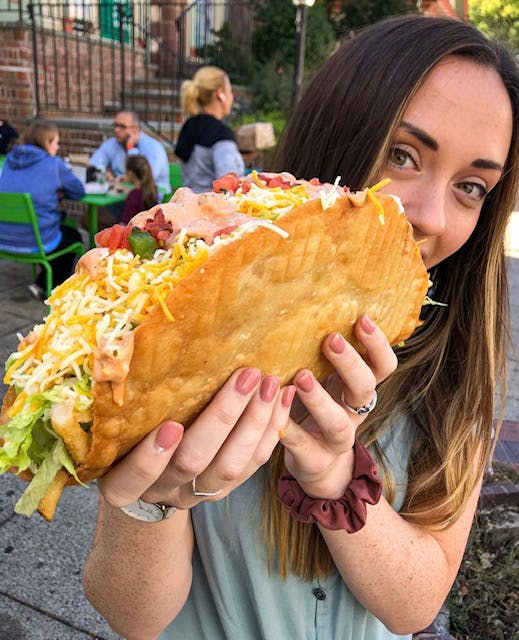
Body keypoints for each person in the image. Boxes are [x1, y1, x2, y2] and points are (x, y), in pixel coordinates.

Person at [82, 16, 519, 640]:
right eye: (402, 155)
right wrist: (154, 497)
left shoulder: (459, 373)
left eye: (471, 187)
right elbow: (132, 616)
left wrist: (335, 475)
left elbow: (415, 608)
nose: (429, 216)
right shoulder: (190, 326)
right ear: (338, 136)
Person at [0, 119, 84, 298]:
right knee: (74, 237)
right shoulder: (53, 165)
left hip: (5, 239)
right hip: (35, 241)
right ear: (46, 142)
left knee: (57, 226)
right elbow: (78, 192)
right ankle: (50, 288)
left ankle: (42, 281)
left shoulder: (8, 161)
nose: (57, 147)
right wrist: (59, 190)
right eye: (56, 142)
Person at [175, 65, 245, 193]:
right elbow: (227, 186)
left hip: (189, 206)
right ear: (220, 94)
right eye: (230, 91)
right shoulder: (221, 133)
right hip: (213, 210)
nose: (232, 96)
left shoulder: (189, 126)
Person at [89, 111, 170, 193]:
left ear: (135, 129)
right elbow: (93, 163)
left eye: (122, 127)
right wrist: (105, 173)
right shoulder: (112, 143)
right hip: (122, 195)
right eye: (115, 125)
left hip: (151, 198)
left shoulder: (153, 147)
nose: (116, 130)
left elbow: (143, 177)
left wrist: (130, 148)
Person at [121, 154, 159, 225]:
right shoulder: (153, 189)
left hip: (133, 232)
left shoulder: (134, 194)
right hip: (147, 230)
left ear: (130, 173)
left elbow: (125, 222)